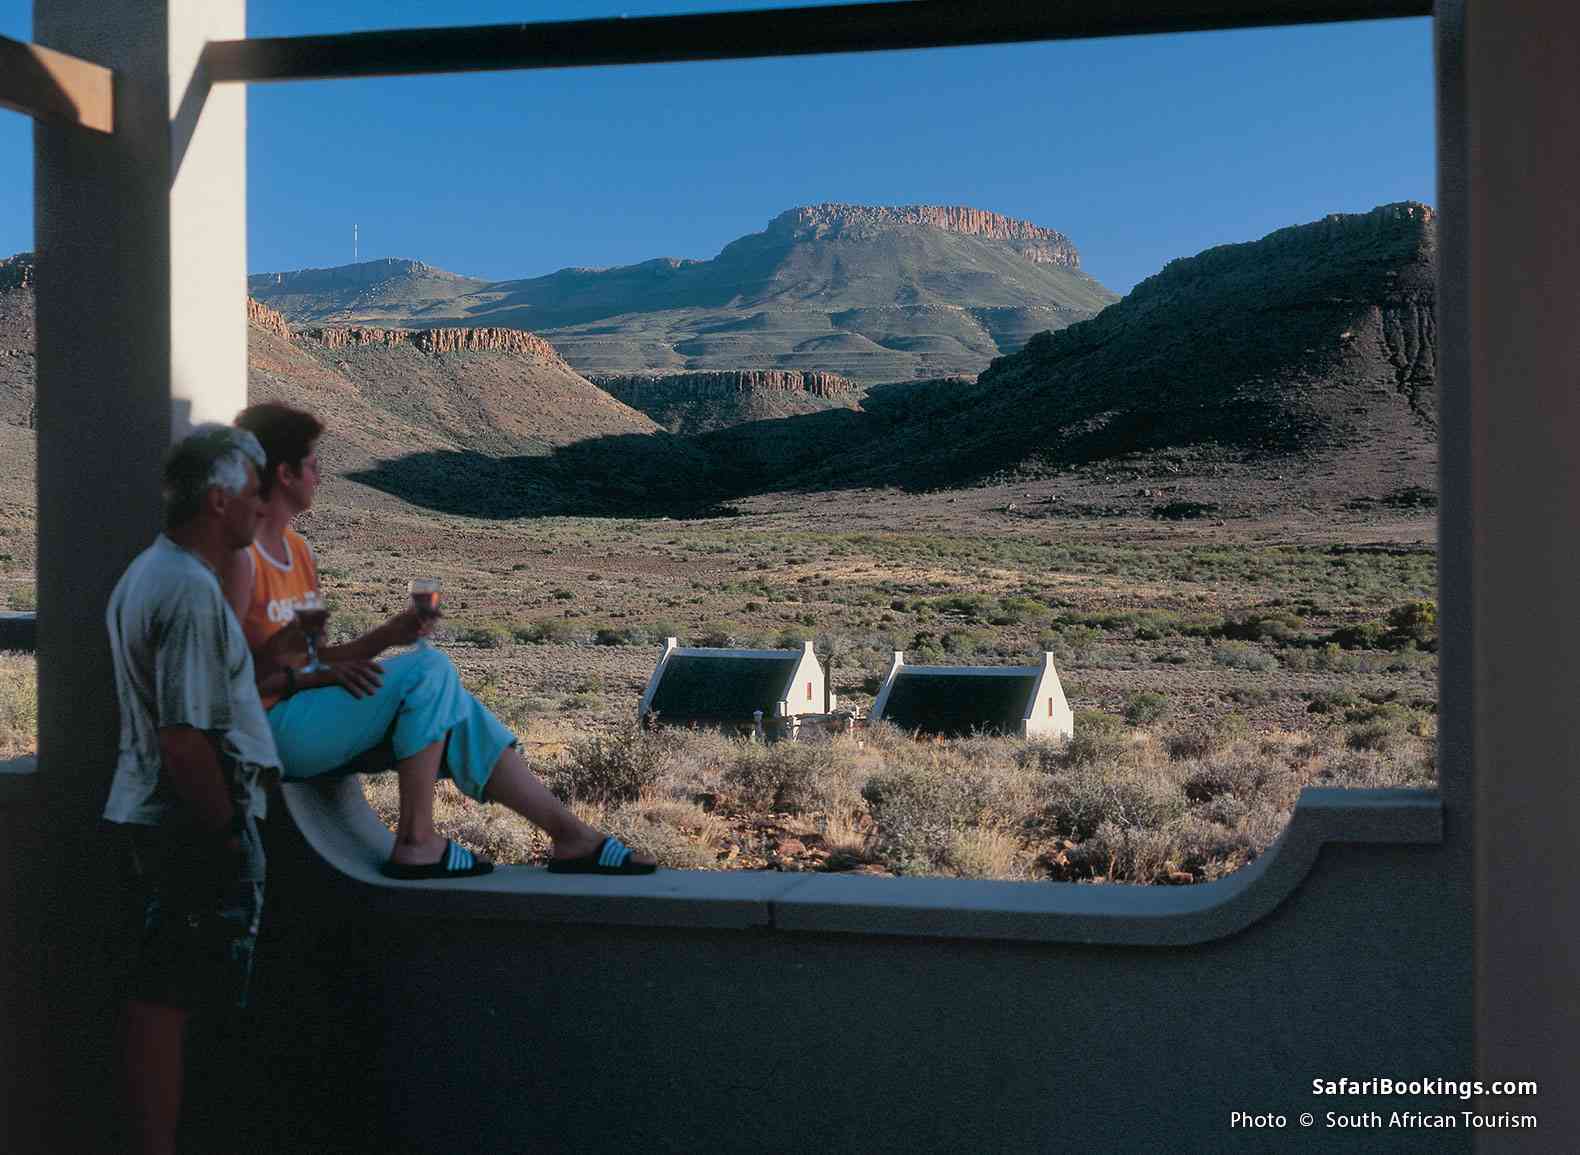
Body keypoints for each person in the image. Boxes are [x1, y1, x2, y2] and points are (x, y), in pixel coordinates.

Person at [224, 401, 655, 877]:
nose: (321, 474)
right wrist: (318, 674)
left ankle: (572, 837)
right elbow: (229, 679)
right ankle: (415, 841)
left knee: (455, 705)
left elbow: (315, 658)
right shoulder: (241, 560)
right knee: (429, 671)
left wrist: (389, 634)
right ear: (284, 474)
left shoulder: (297, 552)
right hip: (266, 731)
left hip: (304, 712)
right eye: (312, 464)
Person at [103, 424, 280, 1155]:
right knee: (189, 1010)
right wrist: (224, 836)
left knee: (163, 998)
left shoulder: (154, 573)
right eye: (253, 492)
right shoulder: (188, 592)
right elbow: (185, 736)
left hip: (156, 822)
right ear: (217, 500)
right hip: (186, 829)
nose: (263, 507)